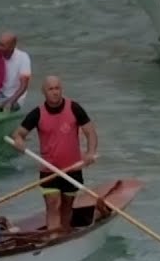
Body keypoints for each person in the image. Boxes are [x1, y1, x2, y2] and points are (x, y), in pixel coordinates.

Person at [11, 76, 99, 232]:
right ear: (44, 92)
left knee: (66, 208)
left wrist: (90, 153)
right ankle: (52, 237)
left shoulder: (74, 108)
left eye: (57, 88)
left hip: (73, 169)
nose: (55, 92)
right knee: (53, 204)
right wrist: (18, 141)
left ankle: (64, 236)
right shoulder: (37, 113)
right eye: (51, 89)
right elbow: (18, 133)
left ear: (61, 89)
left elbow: (90, 132)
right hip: (49, 170)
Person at [0, 32, 31, 112]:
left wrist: (10, 102)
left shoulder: (23, 57)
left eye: (2, 45)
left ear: (12, 46)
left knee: (1, 107)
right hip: (0, 94)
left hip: (16, 97)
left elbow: (24, 86)